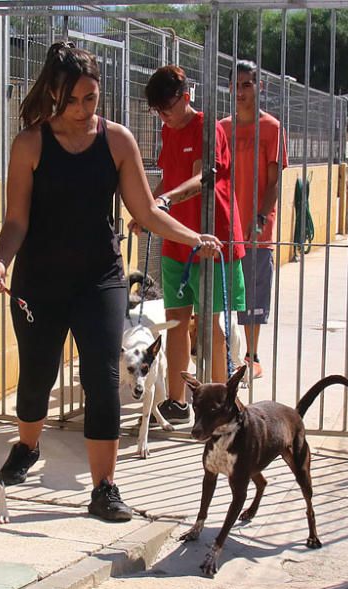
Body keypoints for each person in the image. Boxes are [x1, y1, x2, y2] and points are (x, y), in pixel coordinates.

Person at [0, 43, 221, 522]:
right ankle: (27, 447)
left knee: (101, 377)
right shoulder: (29, 144)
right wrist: (1, 262)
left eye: (90, 98)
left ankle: (105, 487)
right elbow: (15, 220)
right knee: (35, 376)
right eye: (71, 100)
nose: (81, 110)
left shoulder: (117, 141)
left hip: (100, 279)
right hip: (38, 281)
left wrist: (195, 236)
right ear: (53, 94)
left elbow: (146, 210)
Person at [142, 65, 246, 424]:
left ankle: (218, 402)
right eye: (157, 111)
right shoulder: (167, 130)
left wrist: (165, 200)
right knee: (175, 321)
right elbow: (168, 177)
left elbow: (204, 176)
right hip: (176, 242)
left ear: (186, 97)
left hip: (212, 239)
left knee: (211, 324)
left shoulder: (208, 127)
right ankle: (177, 401)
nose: (163, 117)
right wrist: (147, 210)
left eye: (167, 109)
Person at [219, 60, 288, 380]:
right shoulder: (222, 128)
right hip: (225, 227)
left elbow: (274, 182)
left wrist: (260, 216)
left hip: (257, 229)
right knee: (224, 295)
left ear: (261, 87)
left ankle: (252, 355)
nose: (242, 91)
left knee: (254, 296)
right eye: (237, 85)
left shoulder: (272, 128)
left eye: (248, 84)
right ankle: (224, 357)